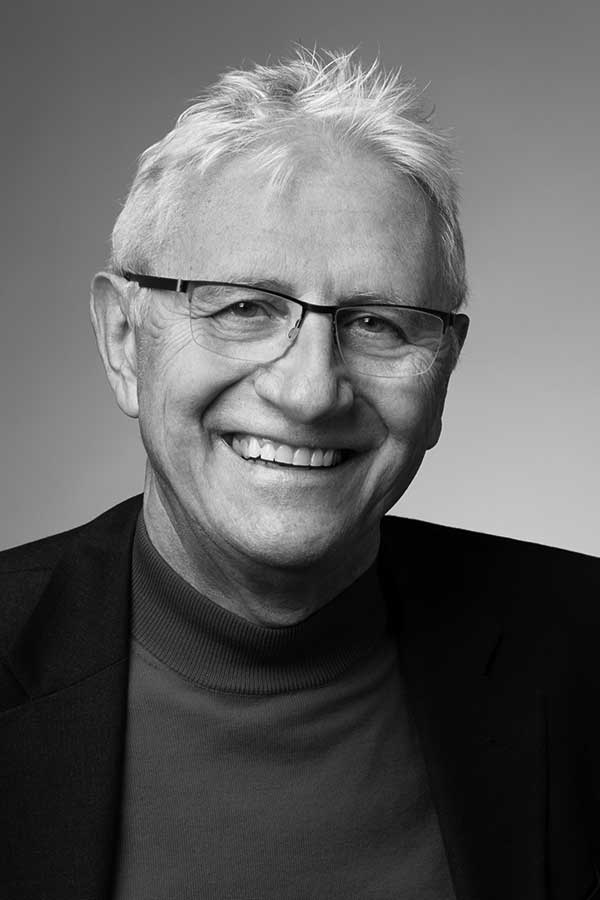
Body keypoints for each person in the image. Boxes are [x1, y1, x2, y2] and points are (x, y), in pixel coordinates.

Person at [1, 48, 599, 900]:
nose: (311, 390)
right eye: (246, 307)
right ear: (125, 341)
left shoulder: (583, 652)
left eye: (378, 322)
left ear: (444, 367)